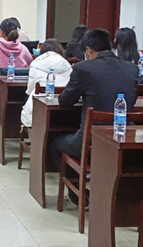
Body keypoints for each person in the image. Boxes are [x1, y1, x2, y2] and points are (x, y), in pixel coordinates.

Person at [51, 29, 138, 174]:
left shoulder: (84, 68)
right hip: (123, 139)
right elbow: (132, 100)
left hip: (92, 142)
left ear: (88, 50)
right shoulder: (132, 68)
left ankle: (75, 186)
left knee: (54, 143)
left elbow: (65, 101)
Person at [21, 39, 72, 128]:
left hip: (40, 108)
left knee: (27, 96)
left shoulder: (36, 64)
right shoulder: (67, 65)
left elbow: (30, 89)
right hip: (64, 108)